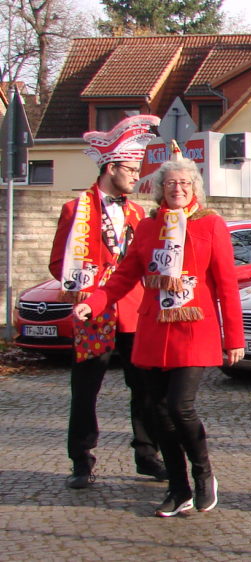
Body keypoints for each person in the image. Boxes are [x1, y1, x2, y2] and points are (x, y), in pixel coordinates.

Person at [74, 144, 244, 517]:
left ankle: (203, 475)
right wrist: (94, 302)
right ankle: (178, 487)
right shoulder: (149, 227)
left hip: (193, 329)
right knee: (156, 411)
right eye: (170, 182)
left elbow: (227, 285)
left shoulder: (210, 224)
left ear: (195, 187)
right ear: (160, 188)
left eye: (184, 182)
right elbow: (123, 277)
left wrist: (234, 338)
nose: (177, 188)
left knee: (179, 407)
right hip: (153, 332)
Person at [49, 114, 165, 489]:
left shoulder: (135, 212)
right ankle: (81, 459)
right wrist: (84, 286)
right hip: (95, 312)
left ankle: (147, 455)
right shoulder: (76, 210)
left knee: (144, 386)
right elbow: (58, 262)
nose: (136, 176)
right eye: (130, 169)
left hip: (133, 312)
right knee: (86, 389)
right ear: (110, 167)